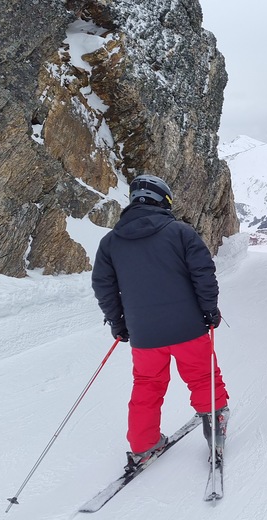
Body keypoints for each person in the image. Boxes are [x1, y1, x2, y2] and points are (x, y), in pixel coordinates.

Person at [91, 174, 229, 469]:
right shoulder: (180, 232)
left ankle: (143, 445)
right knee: (203, 377)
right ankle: (215, 426)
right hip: (188, 327)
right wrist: (209, 311)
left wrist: (119, 323)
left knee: (147, 385)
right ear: (163, 200)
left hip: (144, 335)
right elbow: (203, 274)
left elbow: (104, 286)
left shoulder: (110, 242)